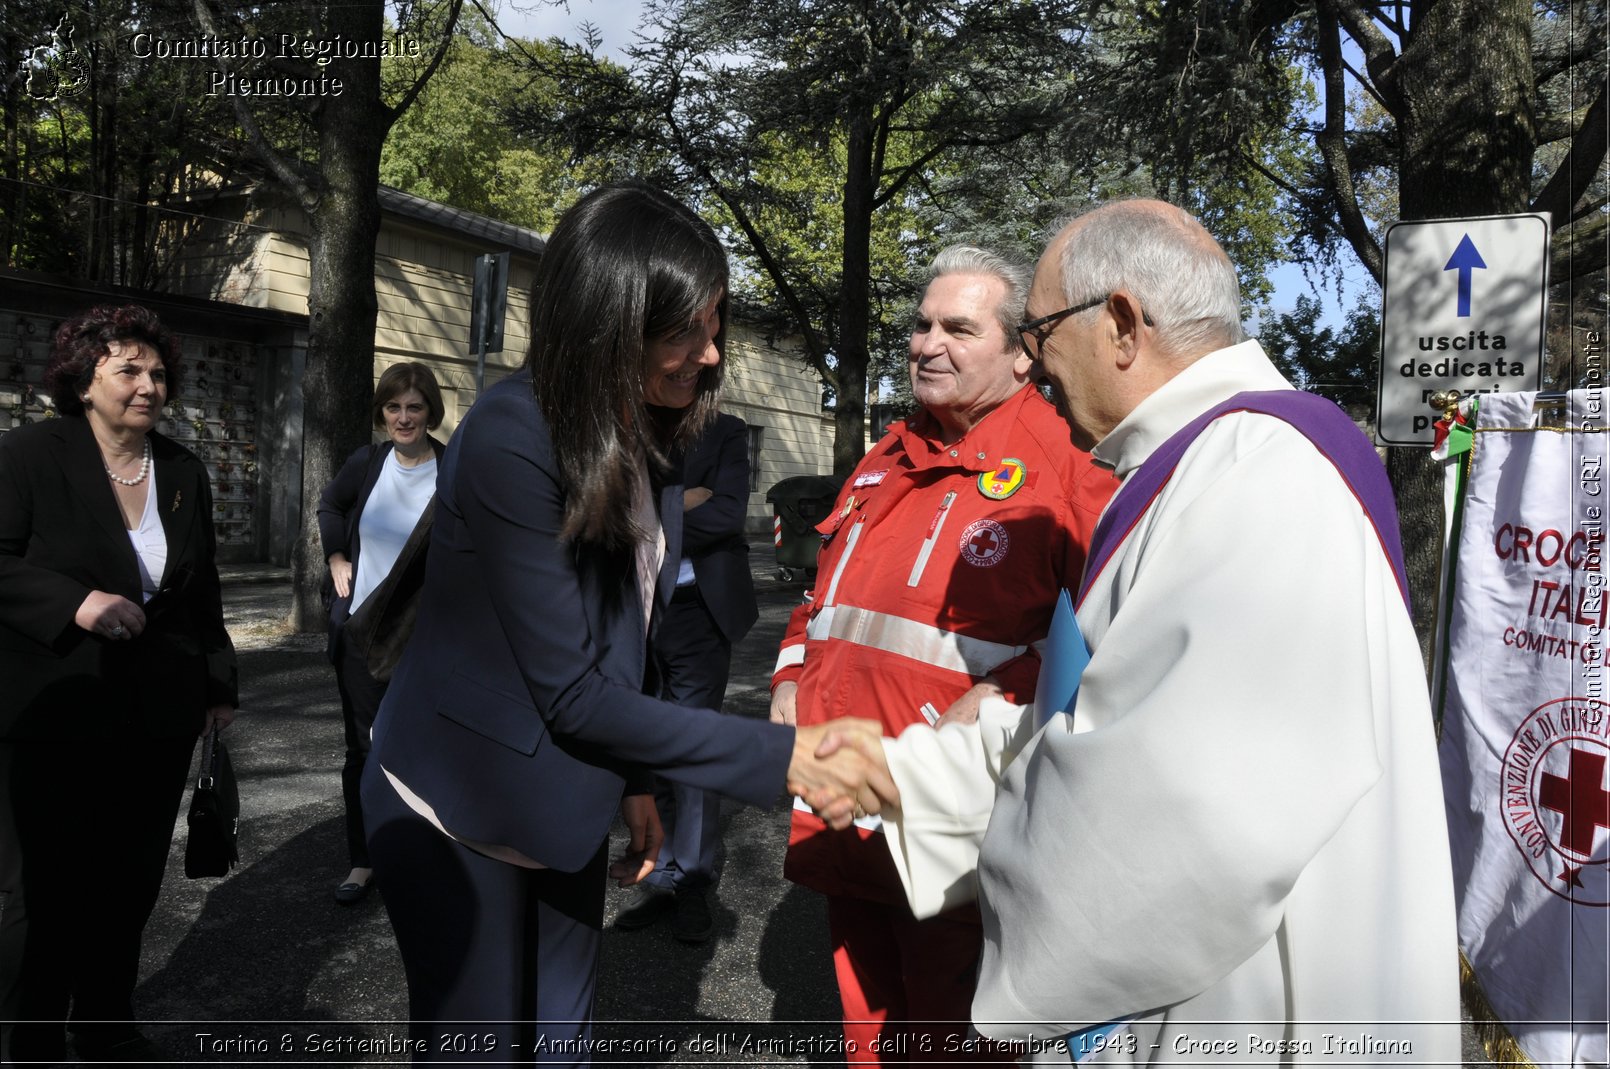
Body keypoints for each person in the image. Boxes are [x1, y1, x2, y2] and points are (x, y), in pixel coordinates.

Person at [844, 200, 1461, 1060]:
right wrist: (905, 775)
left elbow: (1177, 805)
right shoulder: (1207, 464)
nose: (1031, 359)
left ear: (1123, 325)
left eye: (1041, 329)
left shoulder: (1262, 472)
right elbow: (1122, 709)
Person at [359, 181, 885, 1064]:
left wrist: (636, 778)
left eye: (713, 327)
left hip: (562, 804)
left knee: (560, 1045)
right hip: (457, 805)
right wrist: (789, 756)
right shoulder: (509, 435)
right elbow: (570, 689)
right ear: (608, 320)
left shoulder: (648, 433)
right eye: (688, 330)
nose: (710, 355)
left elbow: (624, 630)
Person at [769, 246, 1117, 1064]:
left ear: (1021, 350)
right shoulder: (885, 456)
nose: (928, 343)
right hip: (842, 796)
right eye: (922, 324)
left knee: (953, 1038)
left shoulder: (1067, 463)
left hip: (955, 820)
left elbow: (1113, 624)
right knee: (867, 1030)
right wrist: (788, 673)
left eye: (958, 328)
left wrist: (1008, 691)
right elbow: (821, 597)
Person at [0, 304, 237, 1064]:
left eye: (158, 372)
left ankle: (104, 1019)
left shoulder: (182, 469)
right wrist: (76, 602)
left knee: (130, 878)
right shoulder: (28, 456)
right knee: (41, 890)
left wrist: (218, 680)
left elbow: (202, 590)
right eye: (129, 370)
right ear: (84, 377)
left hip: (157, 711)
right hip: (54, 707)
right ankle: (28, 1034)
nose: (148, 385)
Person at [614, 409, 759, 943]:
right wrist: (680, 501)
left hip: (699, 610)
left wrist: (650, 513)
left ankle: (693, 883)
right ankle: (662, 875)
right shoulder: (627, 424)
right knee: (650, 747)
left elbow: (725, 515)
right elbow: (607, 511)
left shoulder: (725, 431)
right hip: (635, 609)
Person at [317, 361, 447, 905]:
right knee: (363, 752)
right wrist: (337, 554)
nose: (403, 417)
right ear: (382, 413)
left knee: (425, 749)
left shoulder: (453, 468)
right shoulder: (367, 463)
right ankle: (364, 860)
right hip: (362, 633)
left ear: (430, 412)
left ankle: (425, 856)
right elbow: (330, 503)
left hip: (426, 638)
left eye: (414, 406)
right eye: (393, 407)